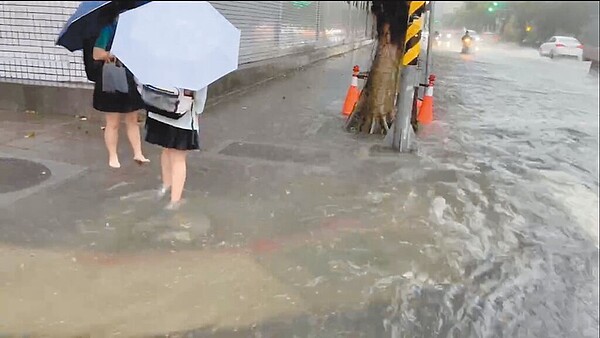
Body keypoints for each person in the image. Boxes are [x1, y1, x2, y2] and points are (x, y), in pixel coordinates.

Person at [92, 14, 150, 169]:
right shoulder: (108, 29)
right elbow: (96, 53)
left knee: (132, 119)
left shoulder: (133, 31)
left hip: (129, 78)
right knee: (113, 122)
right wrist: (112, 55)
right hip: (112, 77)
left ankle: (138, 153)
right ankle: (113, 156)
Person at [144, 87, 208, 210]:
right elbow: (200, 100)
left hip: (159, 110)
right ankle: (175, 200)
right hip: (182, 116)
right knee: (178, 158)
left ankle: (166, 185)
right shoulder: (196, 70)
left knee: (166, 149)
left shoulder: (162, 67)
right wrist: (198, 110)